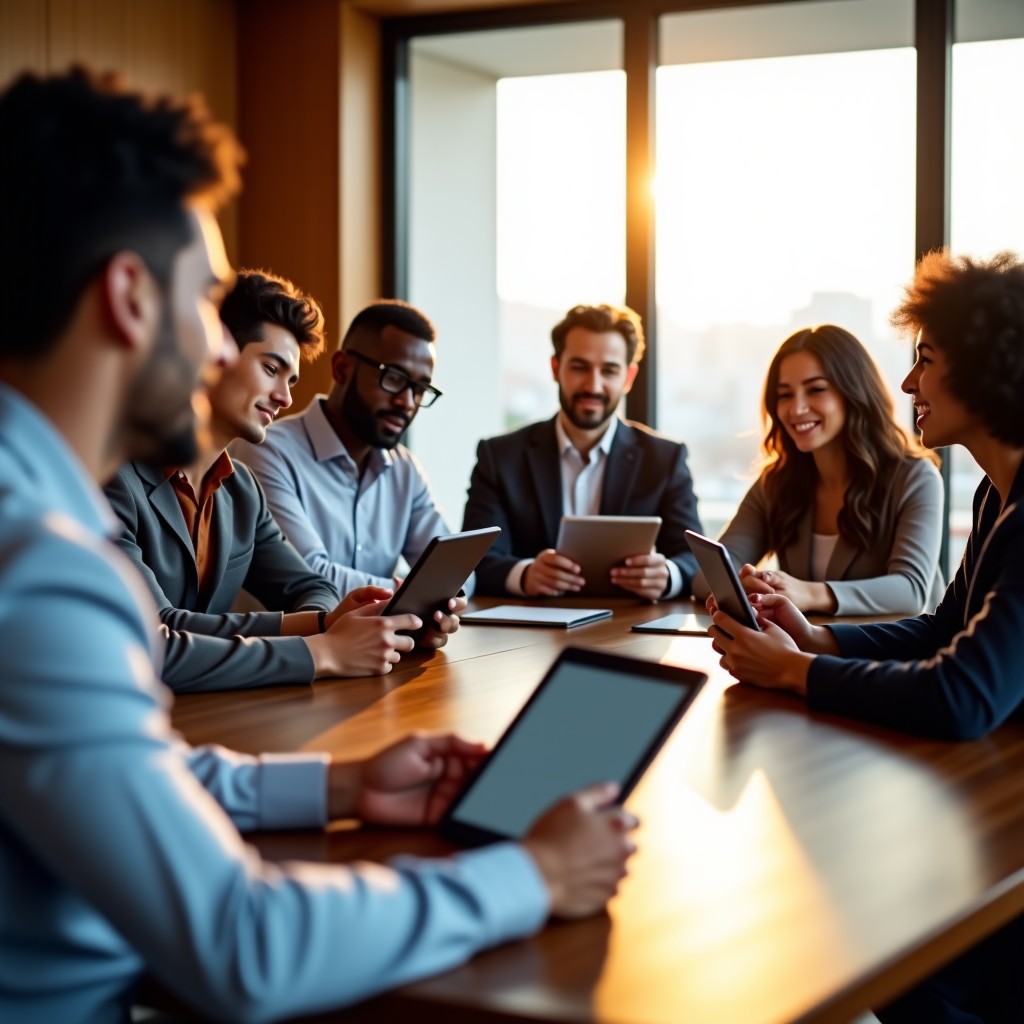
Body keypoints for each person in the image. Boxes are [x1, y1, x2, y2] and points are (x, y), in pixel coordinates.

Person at [0, 67, 636, 1024]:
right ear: (129, 298)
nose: (220, 353)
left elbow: (119, 773)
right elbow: (243, 943)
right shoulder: (37, 566)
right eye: (204, 303)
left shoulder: (45, 515)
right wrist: (532, 875)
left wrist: (341, 786)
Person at [709, 251, 1024, 1023]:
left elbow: (963, 692)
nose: (910, 383)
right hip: (999, 791)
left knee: (873, 939)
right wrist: (819, 641)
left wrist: (794, 674)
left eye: (926, 361)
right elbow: (945, 628)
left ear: (986, 369)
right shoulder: (995, 493)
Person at [104, 270, 459, 693]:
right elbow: (156, 637)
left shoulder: (242, 490)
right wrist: (321, 650)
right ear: (215, 351)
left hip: (206, 714)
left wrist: (337, 621)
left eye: (291, 380)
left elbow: (313, 588)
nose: (285, 397)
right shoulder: (112, 477)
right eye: (271, 368)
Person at [695, 324, 944, 616]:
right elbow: (706, 577)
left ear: (854, 394)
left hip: (894, 656)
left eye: (816, 390)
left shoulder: (915, 478)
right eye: (785, 395)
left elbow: (910, 590)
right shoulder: (777, 482)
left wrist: (807, 593)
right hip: (805, 651)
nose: (796, 408)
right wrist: (748, 585)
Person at [461, 303, 703, 599]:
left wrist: (668, 575)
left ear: (628, 378)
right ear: (555, 368)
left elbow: (694, 560)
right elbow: (473, 561)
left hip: (630, 634)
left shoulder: (665, 459)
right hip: (527, 636)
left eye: (609, 371)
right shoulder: (500, 457)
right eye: (579, 367)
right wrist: (524, 574)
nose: (593, 385)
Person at [234, 300, 467, 598]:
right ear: (342, 368)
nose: (407, 402)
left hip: (379, 642)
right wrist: (412, 594)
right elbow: (309, 576)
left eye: (420, 389)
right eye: (394, 378)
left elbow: (456, 575)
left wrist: (434, 608)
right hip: (290, 642)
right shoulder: (268, 451)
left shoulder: (405, 469)